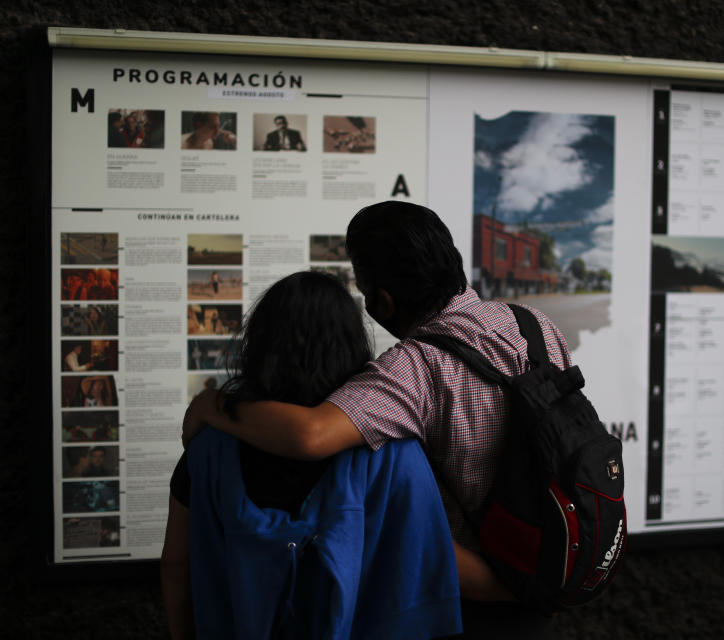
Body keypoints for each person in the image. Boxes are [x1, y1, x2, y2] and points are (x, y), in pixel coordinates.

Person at [183, 201, 570, 637]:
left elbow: (311, 434)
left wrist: (212, 405)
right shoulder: (533, 325)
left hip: (477, 601)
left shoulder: (412, 367)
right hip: (549, 560)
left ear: (382, 302)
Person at [164, 271, 461, 639]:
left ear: (259, 344)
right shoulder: (393, 451)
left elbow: (176, 563)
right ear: (352, 345)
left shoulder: (208, 447)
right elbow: (421, 575)